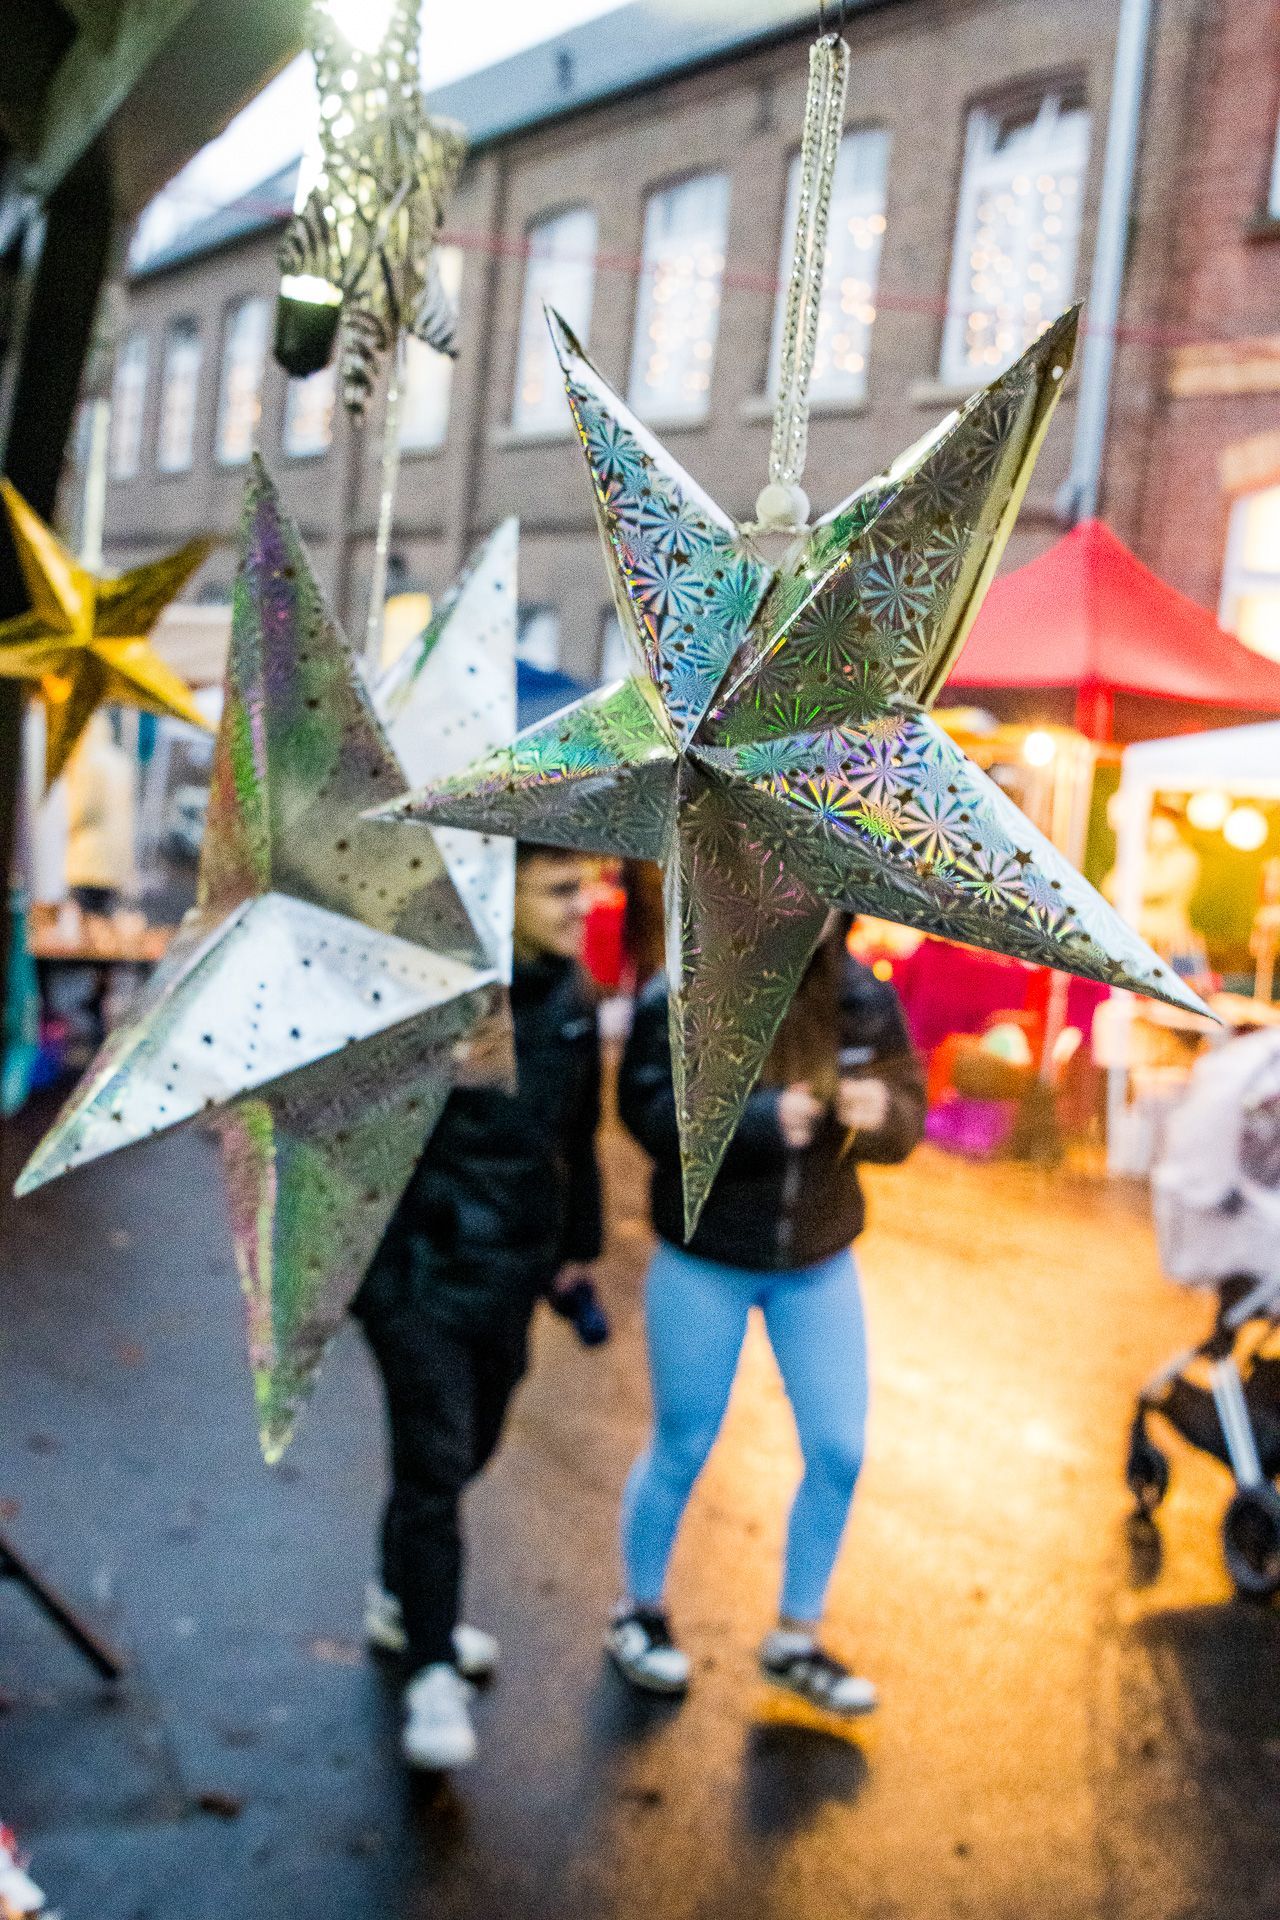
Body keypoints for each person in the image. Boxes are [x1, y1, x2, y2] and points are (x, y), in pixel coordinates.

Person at [610, 923, 925, 1716]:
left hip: (818, 1259)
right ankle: (639, 1612)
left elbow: (909, 1116)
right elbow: (644, 1109)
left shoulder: (863, 996)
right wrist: (753, 1121)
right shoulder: (688, 987)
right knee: (683, 1443)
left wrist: (881, 1114)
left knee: (839, 1450)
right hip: (705, 1256)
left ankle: (796, 1638)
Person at [351, 844, 606, 1771]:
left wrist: (573, 1253)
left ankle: (400, 1599)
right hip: (418, 1276)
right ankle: (430, 1669)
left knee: (467, 1453)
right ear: (507, 895)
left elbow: (576, 1135)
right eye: (561, 889)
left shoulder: (572, 997)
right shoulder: (435, 991)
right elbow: (348, 1131)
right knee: (435, 1461)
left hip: (512, 1276)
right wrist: (425, 1072)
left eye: (587, 887)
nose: (583, 906)